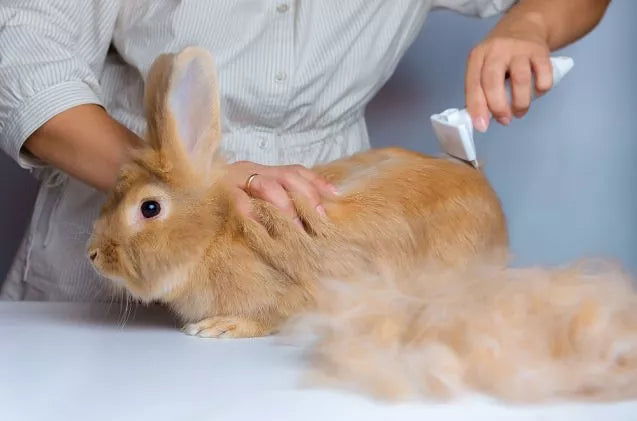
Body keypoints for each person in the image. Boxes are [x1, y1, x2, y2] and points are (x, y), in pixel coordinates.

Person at [0, 0, 610, 301]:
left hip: (327, 246)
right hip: (121, 233)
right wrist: (186, 184)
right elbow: (24, 62)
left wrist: (527, 25)